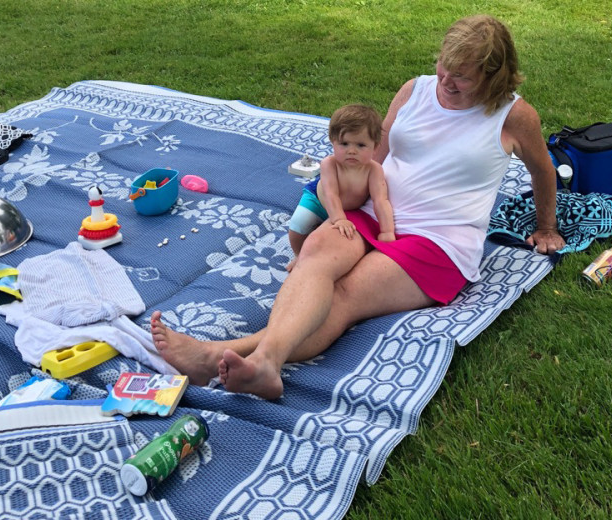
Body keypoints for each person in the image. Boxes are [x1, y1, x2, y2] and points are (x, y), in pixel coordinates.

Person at [151, 14, 566, 400]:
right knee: (314, 255)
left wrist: (545, 228)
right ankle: (259, 365)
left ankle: (230, 358)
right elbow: (376, 159)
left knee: (346, 292)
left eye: (461, 77)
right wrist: (335, 206)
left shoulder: (513, 116)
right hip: (374, 213)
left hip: (439, 241)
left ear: (493, 76)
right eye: (444, 66)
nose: (445, 80)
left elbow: (543, 171)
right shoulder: (415, 90)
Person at [286, 104, 394, 271]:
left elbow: (381, 200)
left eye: (360, 145)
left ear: (376, 147)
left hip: (350, 210)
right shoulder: (329, 164)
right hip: (318, 201)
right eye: (344, 144)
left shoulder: (374, 170)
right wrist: (339, 219)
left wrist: (387, 231)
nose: (351, 151)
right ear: (333, 142)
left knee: (333, 241)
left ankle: (313, 256)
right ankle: (299, 255)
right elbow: (331, 194)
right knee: (298, 224)